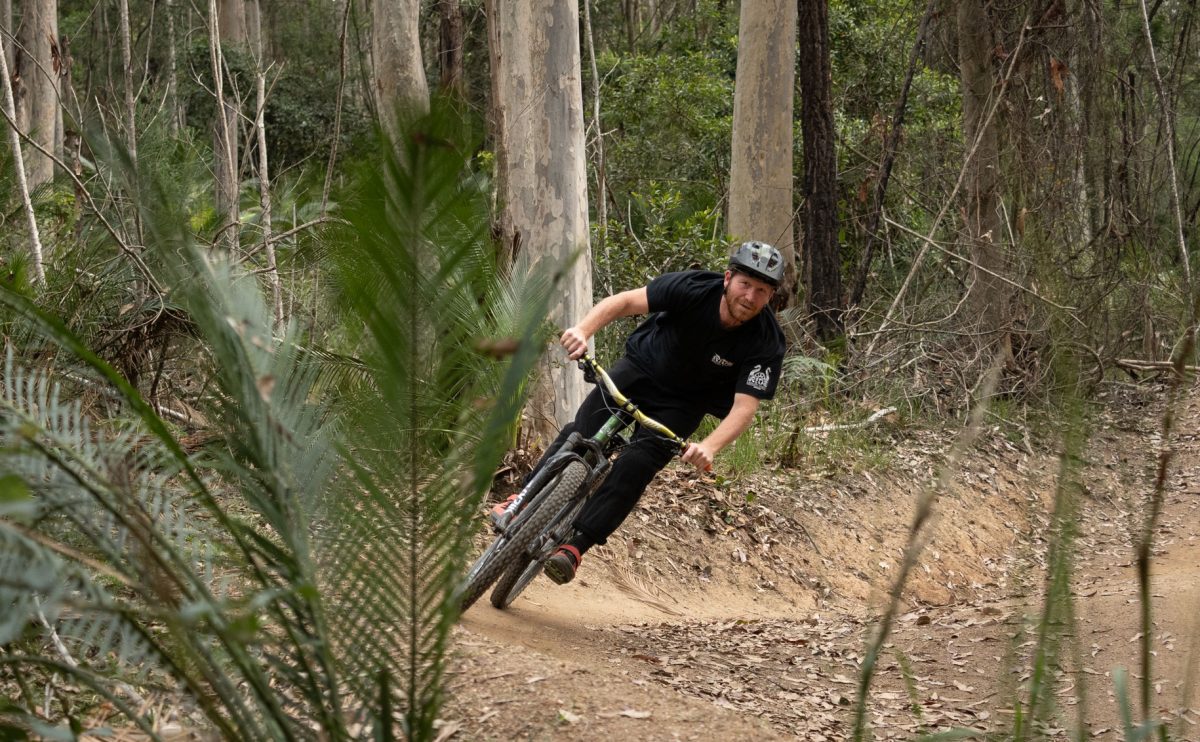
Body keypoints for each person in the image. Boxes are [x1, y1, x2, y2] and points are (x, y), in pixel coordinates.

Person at [496, 241, 787, 585]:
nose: (750, 297)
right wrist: (583, 330)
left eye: (761, 291)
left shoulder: (767, 342)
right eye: (745, 285)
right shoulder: (693, 287)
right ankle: (523, 497)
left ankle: (575, 547)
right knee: (581, 433)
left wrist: (710, 446)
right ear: (727, 278)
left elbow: (744, 407)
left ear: (770, 296)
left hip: (683, 404)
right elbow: (625, 302)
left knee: (636, 465)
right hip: (639, 369)